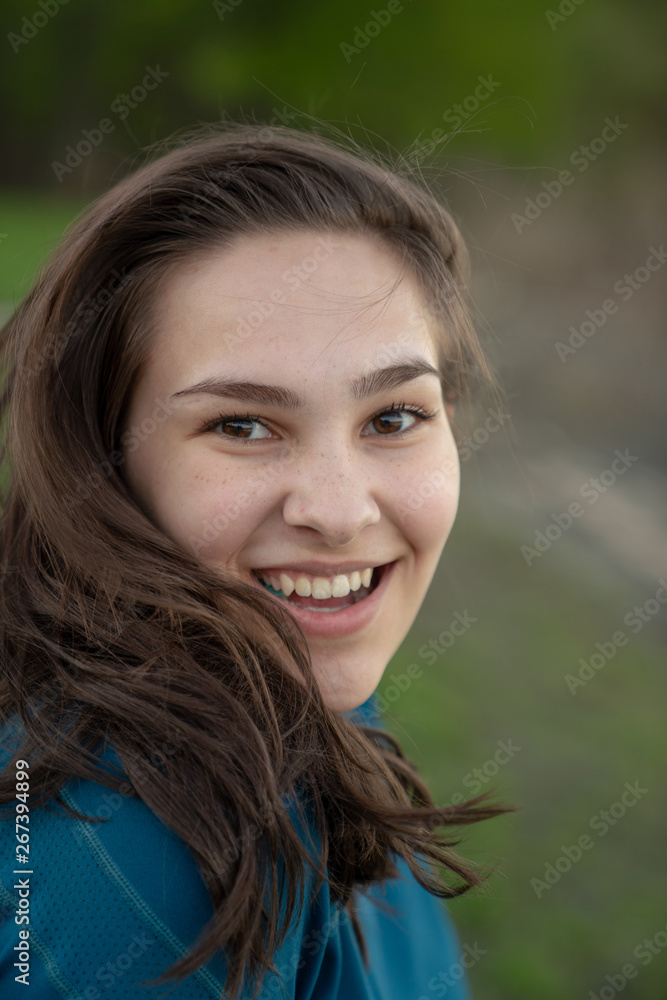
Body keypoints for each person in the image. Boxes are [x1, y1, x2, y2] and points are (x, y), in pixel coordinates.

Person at [0, 122, 511, 999]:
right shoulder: (147, 856)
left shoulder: (289, 664)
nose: (340, 512)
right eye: (242, 425)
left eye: (393, 417)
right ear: (104, 459)